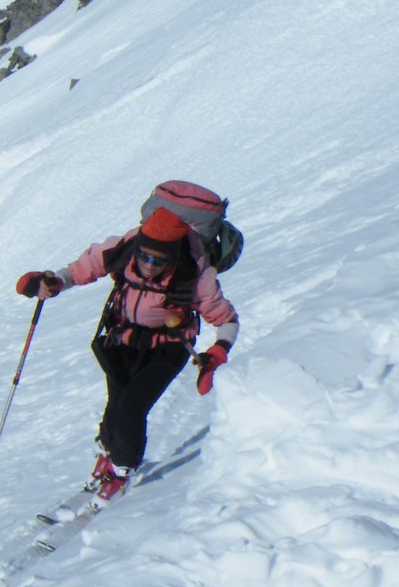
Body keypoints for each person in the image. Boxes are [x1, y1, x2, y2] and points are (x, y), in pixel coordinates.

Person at [16, 204, 239, 502]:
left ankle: (123, 466)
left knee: (134, 406)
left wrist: (217, 352)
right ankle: (108, 450)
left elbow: (226, 320)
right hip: (122, 342)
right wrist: (52, 282)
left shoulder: (195, 273)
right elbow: (83, 269)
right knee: (117, 402)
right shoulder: (125, 247)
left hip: (168, 349)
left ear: (172, 256)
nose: (148, 265)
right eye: (145, 256)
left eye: (158, 260)